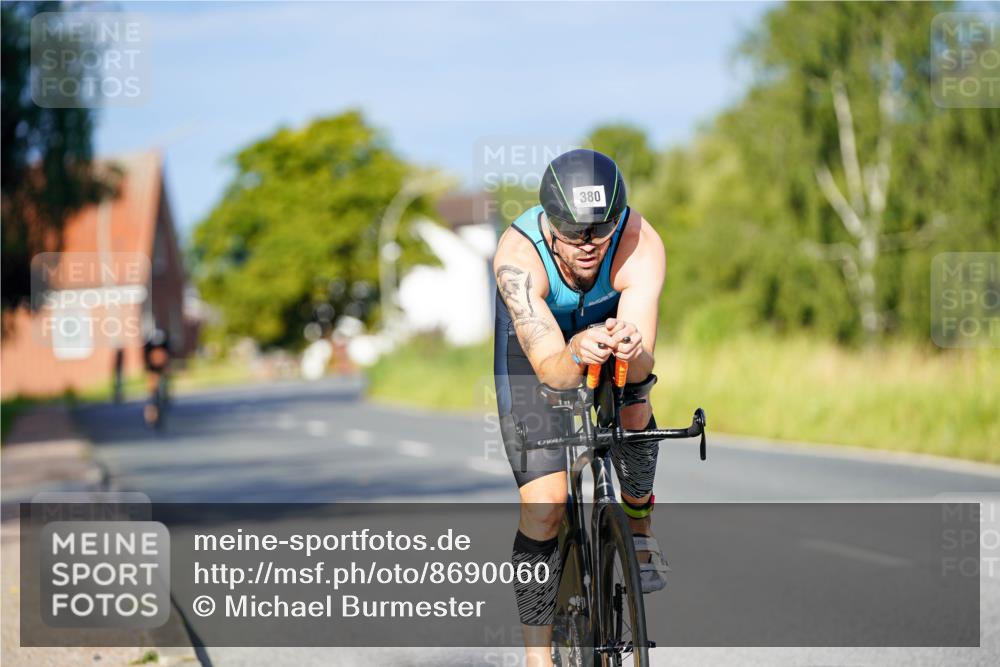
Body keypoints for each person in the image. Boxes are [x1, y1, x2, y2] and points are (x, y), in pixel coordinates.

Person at [492, 149, 667, 665]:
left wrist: (627, 345)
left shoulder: (639, 241)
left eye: (601, 231)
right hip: (539, 349)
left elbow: (640, 362)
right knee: (544, 505)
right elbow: (550, 368)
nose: (589, 247)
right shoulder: (516, 260)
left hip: (606, 332)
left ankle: (637, 529)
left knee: (636, 390)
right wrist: (573, 349)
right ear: (549, 222)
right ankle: (537, 657)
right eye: (573, 234)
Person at [143, 328, 171, 426]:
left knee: (163, 383)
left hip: (162, 368)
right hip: (152, 369)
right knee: (152, 393)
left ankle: (164, 396)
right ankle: (151, 413)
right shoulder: (149, 347)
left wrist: (167, 368)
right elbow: (146, 360)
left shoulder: (165, 345)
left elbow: (167, 357)